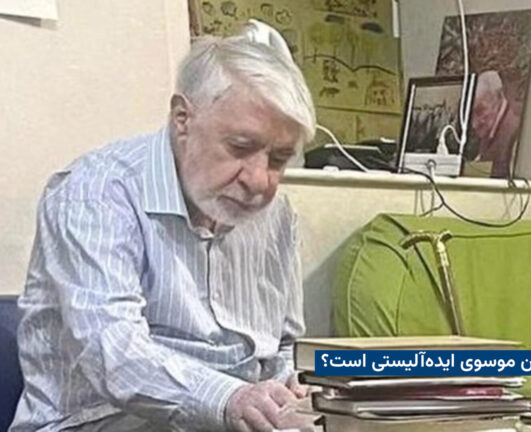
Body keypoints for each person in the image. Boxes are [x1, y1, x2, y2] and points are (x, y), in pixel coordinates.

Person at [11, 21, 316, 432]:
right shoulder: (96, 192)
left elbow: (284, 345)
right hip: (98, 420)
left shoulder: (275, 214)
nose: (260, 181)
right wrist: (231, 399)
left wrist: (296, 384)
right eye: (240, 148)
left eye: (278, 159)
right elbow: (115, 355)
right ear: (182, 119)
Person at [469, 70, 520, 178]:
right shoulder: (490, 128)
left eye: (481, 110)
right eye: (471, 113)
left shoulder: (515, 133)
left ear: (499, 97)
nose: (474, 124)